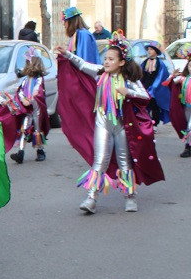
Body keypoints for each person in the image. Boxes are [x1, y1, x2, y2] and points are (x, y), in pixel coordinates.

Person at [56, 32, 164, 213]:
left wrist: (128, 92)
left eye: (111, 59)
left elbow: (146, 96)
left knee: (125, 162)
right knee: (100, 161)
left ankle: (130, 196)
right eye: (105, 58)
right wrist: (67, 54)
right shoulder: (100, 74)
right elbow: (82, 64)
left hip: (122, 126)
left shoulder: (130, 80)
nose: (106, 62)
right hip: (102, 123)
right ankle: (91, 197)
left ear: (121, 62)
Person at [8, 47, 50, 163]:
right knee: (23, 129)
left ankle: (40, 151)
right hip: (26, 109)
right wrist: (23, 100)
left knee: (37, 129)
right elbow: (21, 91)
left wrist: (30, 100)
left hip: (36, 109)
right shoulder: (26, 79)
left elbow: (38, 92)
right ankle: (20, 152)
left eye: (29, 62)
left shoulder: (39, 79)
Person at [163, 44, 191, 157]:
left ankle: (188, 148)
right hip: (186, 106)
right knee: (185, 125)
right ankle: (188, 146)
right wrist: (172, 76)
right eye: (190, 65)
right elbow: (167, 83)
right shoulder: (183, 79)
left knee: (190, 126)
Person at [140, 41, 170, 125]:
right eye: (148, 49)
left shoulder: (160, 63)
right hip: (145, 87)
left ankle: (155, 123)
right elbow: (141, 74)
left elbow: (162, 76)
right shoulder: (145, 62)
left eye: (151, 49)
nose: (149, 51)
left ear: (156, 51)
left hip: (154, 89)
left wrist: (154, 87)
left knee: (154, 107)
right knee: (144, 106)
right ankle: (146, 122)